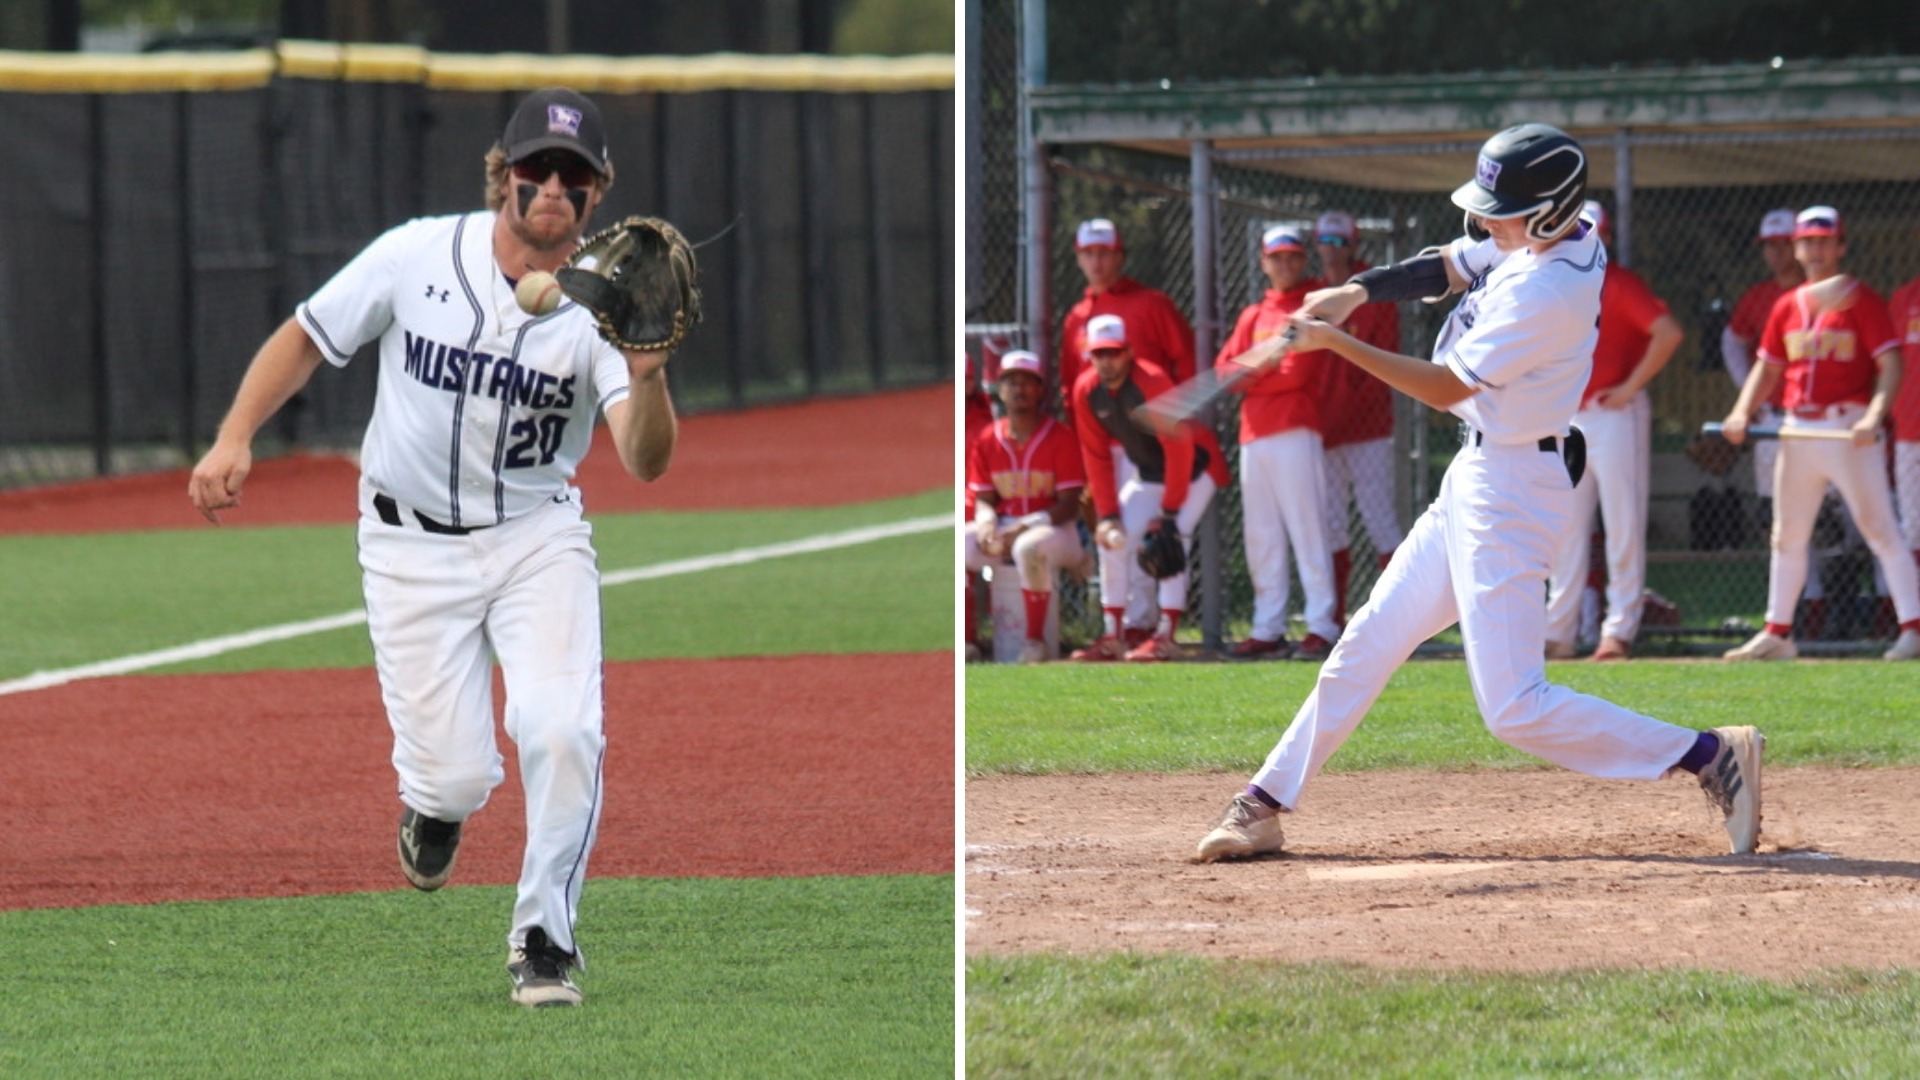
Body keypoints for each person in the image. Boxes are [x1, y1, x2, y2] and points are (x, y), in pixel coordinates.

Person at [188, 88, 678, 1006]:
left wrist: (647, 378)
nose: (553, 189)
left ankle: (545, 937)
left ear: (598, 192)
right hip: (408, 545)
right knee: (454, 777)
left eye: (575, 176)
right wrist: (234, 435)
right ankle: (436, 809)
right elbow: (307, 335)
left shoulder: (606, 307)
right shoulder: (419, 253)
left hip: (538, 537)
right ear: (504, 172)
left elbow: (645, 461)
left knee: (564, 728)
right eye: (537, 168)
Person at [1194, 123, 1765, 865]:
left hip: (1513, 490)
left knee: (1514, 708)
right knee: (1368, 640)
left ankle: (1708, 754)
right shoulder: (1545, 235)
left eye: (1503, 210)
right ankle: (1264, 803)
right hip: (1479, 473)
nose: (1487, 222)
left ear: (1550, 213)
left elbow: (1443, 387)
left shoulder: (1547, 287)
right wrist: (1355, 291)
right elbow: (1448, 266)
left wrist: (1339, 340)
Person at [1718, 206, 1920, 661]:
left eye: (1825, 241)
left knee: (1880, 529)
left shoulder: (1860, 299)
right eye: (1807, 241)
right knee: (1787, 534)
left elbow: (1891, 365)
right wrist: (1740, 411)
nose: (1815, 250)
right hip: (1797, 427)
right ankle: (1778, 632)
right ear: (1796, 247)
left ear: (1841, 246)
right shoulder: (1785, 305)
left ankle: (1912, 627)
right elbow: (1768, 368)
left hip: (1847, 427)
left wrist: (1873, 415)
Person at [1543, 201, 1684, 661]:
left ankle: (1618, 630)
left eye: (1592, 234)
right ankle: (1558, 630)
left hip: (1613, 413)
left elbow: (1668, 333)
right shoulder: (1553, 283)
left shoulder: (1619, 283)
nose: (1584, 242)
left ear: (1605, 237)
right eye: (1576, 234)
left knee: (1623, 522)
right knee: (1564, 526)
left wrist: (1629, 387)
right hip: (1569, 416)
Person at [1066, 314, 1226, 662]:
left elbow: (1179, 448)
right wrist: (1107, 515)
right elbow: (1096, 454)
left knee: (1170, 538)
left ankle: (1166, 637)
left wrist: (1168, 513)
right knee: (1111, 540)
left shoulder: (1151, 381)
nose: (1106, 362)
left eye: (1113, 353)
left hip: (1197, 469)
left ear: (1128, 352)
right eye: (1098, 354)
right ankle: (1112, 636)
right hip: (1150, 473)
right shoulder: (1087, 390)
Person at [1218, 224, 1341, 661]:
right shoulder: (1254, 314)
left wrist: (1254, 374)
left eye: (1292, 256)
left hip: (1295, 428)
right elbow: (1223, 374)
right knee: (1261, 535)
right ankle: (1267, 626)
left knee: (1307, 529)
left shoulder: (1311, 309)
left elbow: (1299, 375)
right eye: (1277, 257)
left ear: (1301, 260)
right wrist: (1263, 365)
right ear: (1263, 261)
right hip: (1254, 435)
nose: (1285, 264)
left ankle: (1322, 624)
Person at [1722, 208, 1829, 630]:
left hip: (1823, 420)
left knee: (1835, 520)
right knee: (1784, 517)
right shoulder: (1759, 296)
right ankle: (1805, 606)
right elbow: (1732, 341)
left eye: (1783, 245)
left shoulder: (1821, 292)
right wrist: (1751, 396)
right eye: (1769, 246)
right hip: (1774, 418)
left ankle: (1847, 601)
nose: (1775, 254)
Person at [1312, 209, 1405, 626]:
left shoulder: (1370, 290)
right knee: (1331, 525)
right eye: (1325, 242)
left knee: (1379, 519)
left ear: (1354, 246)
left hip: (1367, 428)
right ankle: (1332, 617)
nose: (1332, 252)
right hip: (1325, 431)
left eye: (1340, 243)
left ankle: (1401, 617)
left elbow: (1383, 359)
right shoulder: (1313, 294)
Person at [965, 350, 1088, 663]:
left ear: (1039, 391)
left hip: (1057, 533)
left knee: (1028, 547)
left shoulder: (1060, 437)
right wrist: (987, 522)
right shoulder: (987, 439)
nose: (1019, 389)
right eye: (1011, 382)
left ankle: (1034, 642)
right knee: (960, 542)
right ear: (1000, 390)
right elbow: (984, 498)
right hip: (1006, 526)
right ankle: (967, 642)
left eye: (1027, 383)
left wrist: (1023, 526)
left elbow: (1069, 506)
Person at [1057, 218, 1197, 404]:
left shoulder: (1153, 304)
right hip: (1095, 429)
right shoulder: (1075, 318)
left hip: (1153, 423)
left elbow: (1188, 358)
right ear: (1078, 259)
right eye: (1088, 253)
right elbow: (1070, 381)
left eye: (1104, 252)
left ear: (1120, 257)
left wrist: (1180, 412)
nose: (1096, 261)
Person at [963, 351, 998, 662]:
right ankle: (964, 638)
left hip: (978, 510)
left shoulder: (983, 423)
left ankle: (975, 637)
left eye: (968, 379)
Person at [1890, 256, 1920, 586]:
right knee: (1913, 528)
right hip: (1910, 430)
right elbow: (1888, 361)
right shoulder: (1905, 298)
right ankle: (1914, 620)